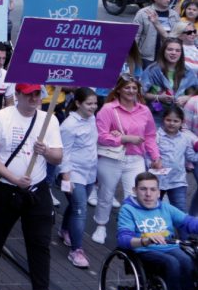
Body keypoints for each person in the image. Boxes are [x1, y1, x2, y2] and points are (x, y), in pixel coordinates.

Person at [0, 83, 64, 290]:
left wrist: (45, 151)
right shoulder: (1, 118)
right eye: (29, 94)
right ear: (17, 95)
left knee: (40, 242)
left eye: (38, 94)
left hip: (37, 190)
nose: (35, 98)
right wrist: (13, 178)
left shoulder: (50, 120)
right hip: (7, 188)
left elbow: (57, 157)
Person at [93, 74, 163, 245]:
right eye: (127, 87)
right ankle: (101, 225)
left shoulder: (144, 110)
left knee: (135, 195)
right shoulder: (108, 109)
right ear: (118, 89)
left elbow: (150, 136)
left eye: (134, 87)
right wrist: (124, 139)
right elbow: (101, 136)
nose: (131, 91)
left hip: (135, 158)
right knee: (106, 194)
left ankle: (129, 229)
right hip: (111, 158)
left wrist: (155, 156)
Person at [117, 172, 198, 290]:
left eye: (153, 189)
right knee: (172, 262)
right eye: (143, 189)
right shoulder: (128, 210)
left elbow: (187, 222)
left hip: (170, 247)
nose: (148, 194)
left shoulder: (164, 207)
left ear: (158, 192)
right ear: (135, 190)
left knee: (187, 260)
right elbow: (123, 239)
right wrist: (145, 241)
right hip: (144, 250)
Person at [57, 88, 99, 269]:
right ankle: (77, 250)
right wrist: (66, 176)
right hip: (74, 173)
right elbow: (63, 151)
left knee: (75, 207)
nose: (93, 107)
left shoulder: (92, 119)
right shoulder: (68, 125)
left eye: (95, 103)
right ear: (78, 103)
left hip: (90, 172)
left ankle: (65, 230)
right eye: (89, 104)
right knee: (80, 209)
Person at [142, 37, 198, 123]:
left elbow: (194, 93)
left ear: (181, 53)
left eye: (177, 50)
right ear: (163, 51)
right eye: (170, 49)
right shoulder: (152, 70)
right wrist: (158, 97)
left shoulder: (188, 71)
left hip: (179, 117)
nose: (173, 53)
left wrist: (187, 98)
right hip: (155, 115)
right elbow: (140, 93)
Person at [157, 105, 198, 212]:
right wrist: (152, 163)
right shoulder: (157, 136)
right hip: (157, 181)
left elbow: (191, 156)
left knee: (180, 213)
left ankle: (184, 229)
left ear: (181, 122)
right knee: (154, 211)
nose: (171, 123)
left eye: (176, 121)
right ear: (163, 119)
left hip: (177, 181)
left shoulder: (185, 138)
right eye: (168, 120)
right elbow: (148, 155)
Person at [136, 0, 181, 66]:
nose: (168, 0)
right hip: (147, 57)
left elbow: (178, 36)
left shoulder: (174, 15)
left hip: (167, 57)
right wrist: (134, 54)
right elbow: (136, 35)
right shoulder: (143, 13)